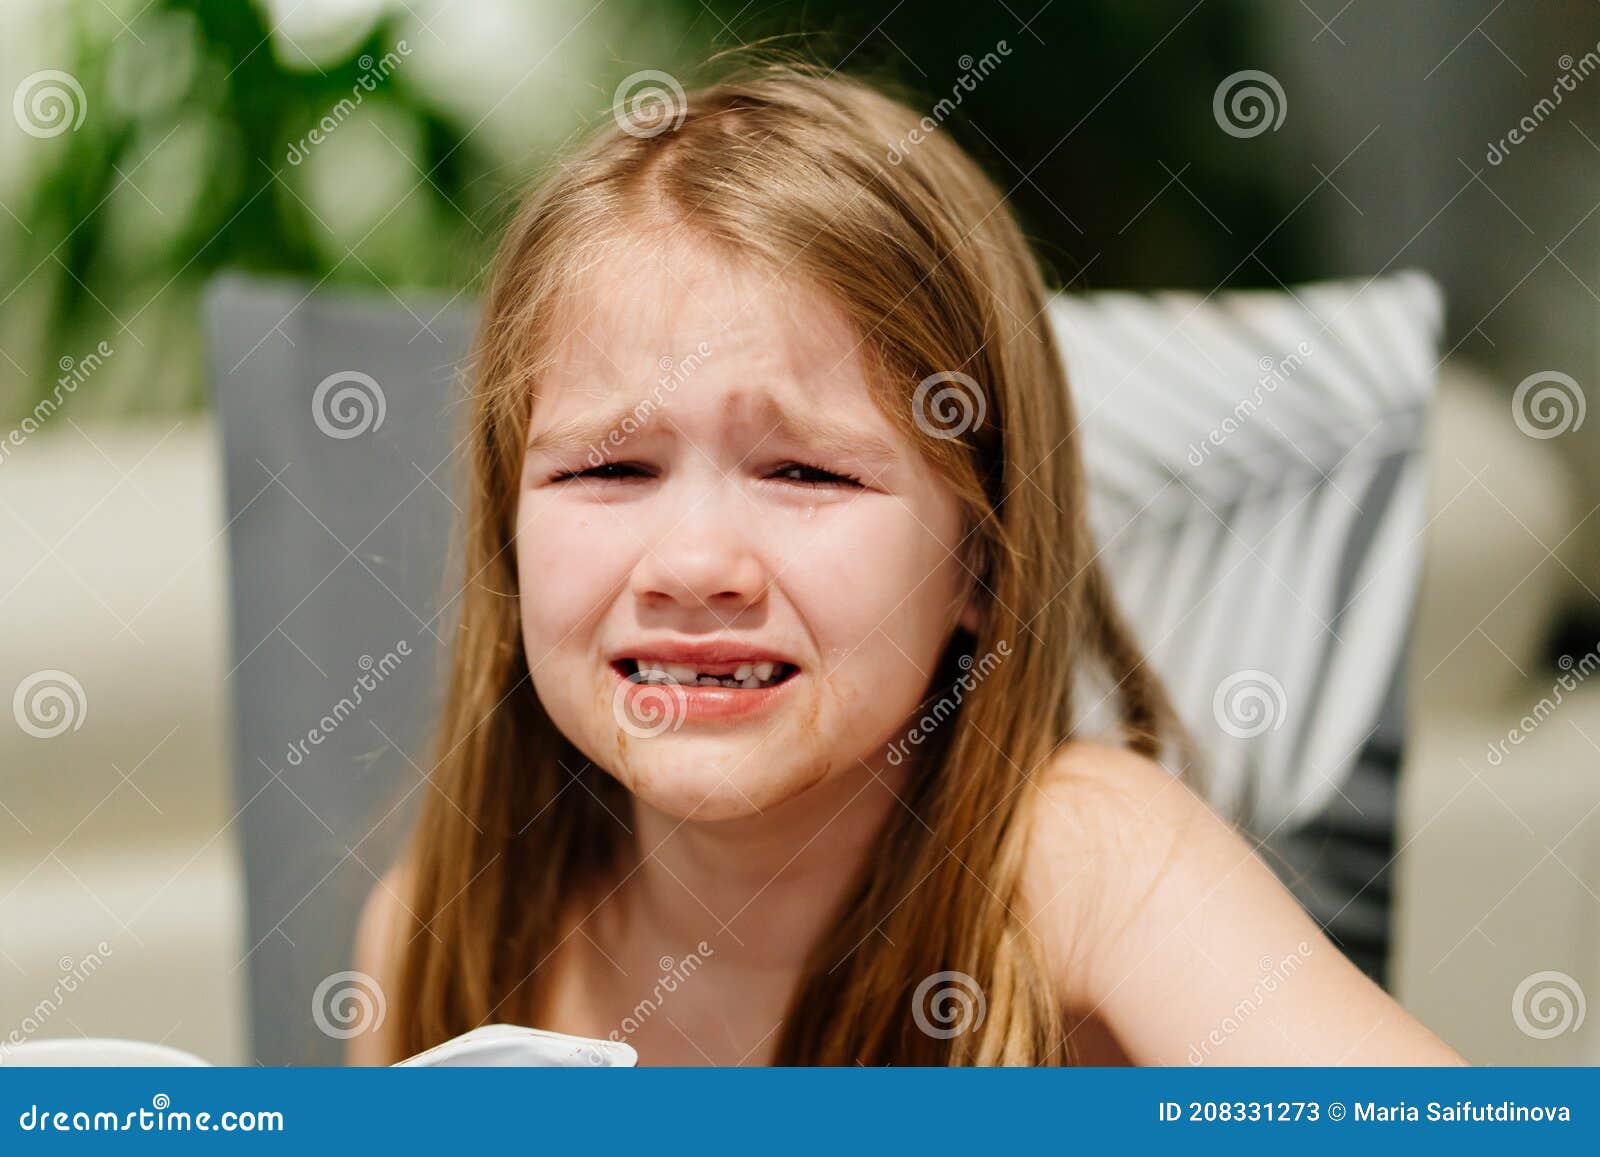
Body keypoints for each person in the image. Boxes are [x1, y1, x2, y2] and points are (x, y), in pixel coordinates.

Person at [349, 59, 1465, 1067]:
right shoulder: (440, 934)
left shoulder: (1081, 870)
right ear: (508, 539)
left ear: (980, 563)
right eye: (609, 470)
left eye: (806, 475)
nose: (692, 562)